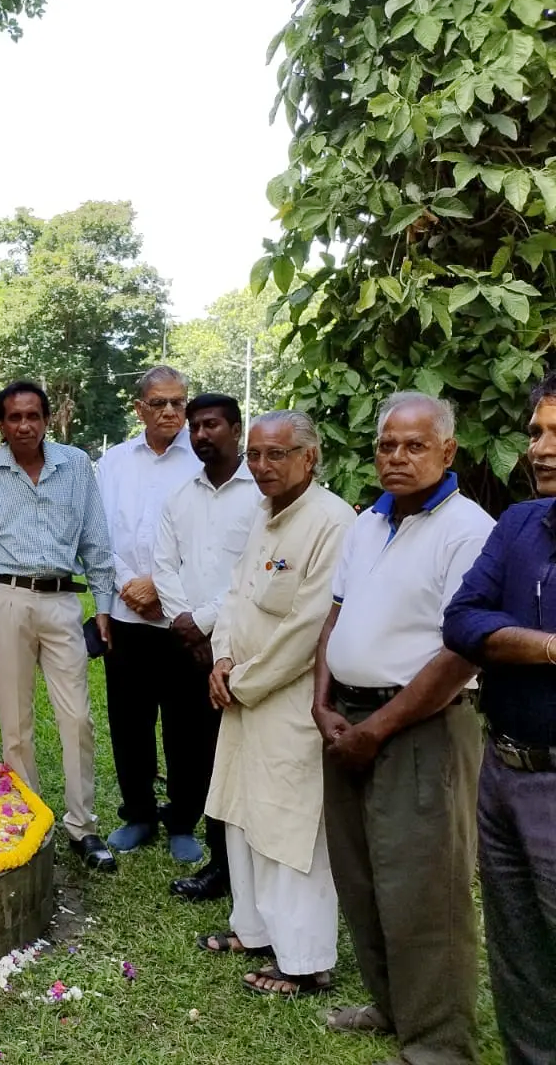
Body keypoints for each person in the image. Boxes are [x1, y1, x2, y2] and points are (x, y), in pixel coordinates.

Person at [312, 392, 490, 1062]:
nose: (397, 457)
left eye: (414, 445)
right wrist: (321, 702)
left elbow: (461, 651)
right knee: (361, 878)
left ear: (448, 451)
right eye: (388, 445)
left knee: (425, 889)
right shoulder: (367, 524)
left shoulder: (469, 529)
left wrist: (377, 728)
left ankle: (440, 1042)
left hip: (422, 728)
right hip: (346, 721)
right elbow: (336, 616)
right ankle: (391, 1008)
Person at [199, 410, 353, 998]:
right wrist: (221, 660)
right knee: (242, 814)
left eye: (276, 455)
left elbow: (311, 624)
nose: (261, 466)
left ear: (308, 458)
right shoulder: (263, 514)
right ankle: (254, 930)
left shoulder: (332, 523)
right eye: (257, 455)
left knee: (291, 827)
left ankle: (306, 960)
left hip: (289, 701)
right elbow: (236, 598)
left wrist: (244, 680)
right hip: (242, 692)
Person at [0, 380, 118, 872]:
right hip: (4, 602)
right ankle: (30, 816)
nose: (24, 425)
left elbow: (96, 540)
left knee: (78, 719)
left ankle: (82, 827)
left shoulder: (76, 466)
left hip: (63, 601)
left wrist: (104, 606)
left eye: (33, 416)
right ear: (0, 425)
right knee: (16, 723)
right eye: (13, 417)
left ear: (47, 420)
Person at [443, 371, 556, 1065]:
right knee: (517, 956)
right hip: (504, 769)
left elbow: (484, 625)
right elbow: (461, 621)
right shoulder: (519, 524)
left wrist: (505, 639)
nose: (541, 449)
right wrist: (546, 646)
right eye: (538, 432)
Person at [151, 393, 259, 901]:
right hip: (184, 646)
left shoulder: (262, 495)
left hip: (238, 648)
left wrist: (207, 622)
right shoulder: (181, 496)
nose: (200, 435)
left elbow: (253, 572)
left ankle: (239, 865)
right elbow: (163, 563)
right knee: (189, 750)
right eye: (194, 427)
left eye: (211, 425)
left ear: (236, 429)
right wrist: (182, 620)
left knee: (233, 757)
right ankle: (210, 855)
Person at [96, 365, 200, 859]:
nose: (170, 412)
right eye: (159, 403)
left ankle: (183, 821)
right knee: (129, 721)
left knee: (186, 723)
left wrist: (160, 587)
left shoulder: (203, 462)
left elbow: (210, 541)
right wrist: (126, 586)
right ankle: (138, 814)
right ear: (139, 409)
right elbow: (96, 534)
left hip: (182, 618)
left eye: (178, 402)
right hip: (126, 615)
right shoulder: (114, 463)